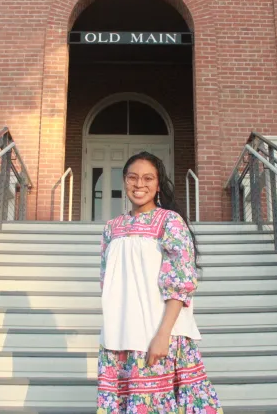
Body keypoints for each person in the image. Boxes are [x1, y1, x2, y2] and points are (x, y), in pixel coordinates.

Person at [96, 152, 223, 413]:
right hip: (120, 336)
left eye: (148, 178)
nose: (139, 184)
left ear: (157, 184)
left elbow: (181, 282)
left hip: (158, 334)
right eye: (133, 177)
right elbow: (106, 280)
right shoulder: (112, 228)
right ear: (124, 180)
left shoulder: (170, 222)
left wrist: (162, 335)